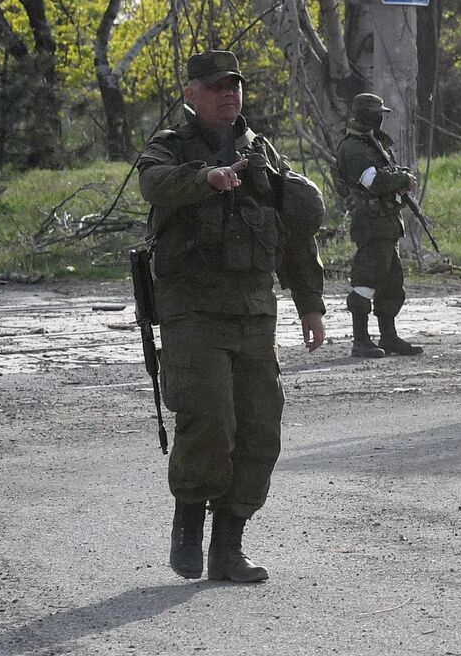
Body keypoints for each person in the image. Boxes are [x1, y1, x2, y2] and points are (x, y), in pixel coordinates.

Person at [137, 49, 327, 583]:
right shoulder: (168, 148)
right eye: (217, 86)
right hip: (193, 312)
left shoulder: (262, 153)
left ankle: (228, 546)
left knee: (261, 429)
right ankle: (187, 530)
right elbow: (154, 184)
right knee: (209, 422)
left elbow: (295, 231)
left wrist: (309, 304)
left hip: (253, 313)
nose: (229, 94)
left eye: (235, 85)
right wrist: (207, 179)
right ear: (191, 95)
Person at [334, 92, 424, 357]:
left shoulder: (374, 144)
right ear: (362, 115)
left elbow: (387, 177)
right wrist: (402, 178)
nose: (379, 119)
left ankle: (389, 336)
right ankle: (361, 340)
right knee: (366, 280)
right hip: (370, 222)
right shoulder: (352, 148)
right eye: (375, 114)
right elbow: (375, 182)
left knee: (392, 283)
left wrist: (400, 178)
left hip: (386, 222)